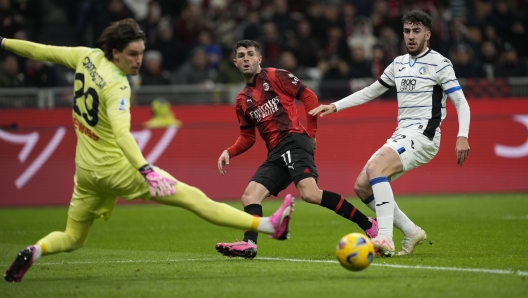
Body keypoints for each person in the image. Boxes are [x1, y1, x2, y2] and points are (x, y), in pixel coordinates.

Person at [1, 19, 294, 283]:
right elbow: (120, 134)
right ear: (115, 52)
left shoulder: (85, 56)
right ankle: (269, 225)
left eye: (141, 53)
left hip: (86, 173)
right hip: (117, 170)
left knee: (73, 237)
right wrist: (146, 170)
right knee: (194, 198)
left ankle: (34, 250)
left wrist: (3, 42)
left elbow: (39, 50)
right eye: (132, 54)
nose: (139, 60)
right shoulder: (117, 85)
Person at [309, 10, 471, 257]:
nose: (411, 36)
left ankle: (384, 237)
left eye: (416, 31)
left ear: (427, 34)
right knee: (362, 186)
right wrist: (336, 105)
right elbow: (371, 91)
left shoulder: (440, 63)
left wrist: (462, 136)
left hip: (423, 135)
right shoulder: (398, 64)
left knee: (377, 169)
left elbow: (461, 102)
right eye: (407, 31)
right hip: (401, 134)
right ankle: (411, 231)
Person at [215, 40, 378, 259]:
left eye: (250, 54)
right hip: (275, 151)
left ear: (259, 59)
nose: (246, 58)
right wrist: (229, 151)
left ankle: (369, 225)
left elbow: (309, 96)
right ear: (235, 63)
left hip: (294, 140)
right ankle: (249, 244)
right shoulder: (242, 100)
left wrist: (311, 134)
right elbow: (247, 137)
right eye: (241, 55)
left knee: (310, 193)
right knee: (249, 195)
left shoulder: (275, 76)